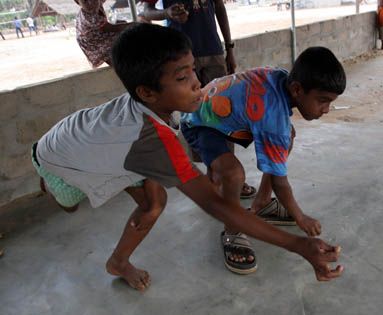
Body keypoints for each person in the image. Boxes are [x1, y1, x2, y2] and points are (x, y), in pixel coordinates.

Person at [32, 24, 343, 291]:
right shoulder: (155, 139)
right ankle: (53, 188)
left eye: (192, 69)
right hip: (59, 160)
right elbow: (216, 204)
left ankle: (117, 262)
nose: (197, 82)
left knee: (152, 202)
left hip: (86, 139)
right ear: (148, 92)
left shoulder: (151, 113)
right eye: (182, 78)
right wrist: (299, 245)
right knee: (74, 202)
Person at [180, 46, 346, 274]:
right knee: (233, 173)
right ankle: (233, 228)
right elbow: (280, 180)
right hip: (200, 122)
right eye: (322, 101)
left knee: (287, 137)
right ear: (297, 89)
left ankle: (262, 202)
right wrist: (300, 217)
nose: (326, 109)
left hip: (222, 115)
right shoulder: (272, 115)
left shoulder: (280, 77)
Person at [141, 0, 257, 199]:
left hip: (213, 51)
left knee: (223, 112)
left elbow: (219, 7)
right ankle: (216, 175)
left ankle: (227, 173)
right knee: (194, 116)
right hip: (180, 56)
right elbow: (146, 13)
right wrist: (167, 13)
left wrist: (229, 48)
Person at [74, 0, 134, 68]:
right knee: (108, 51)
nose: (90, 3)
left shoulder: (98, 3)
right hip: (91, 41)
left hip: (97, 33)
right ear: (77, 2)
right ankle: (120, 67)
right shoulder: (90, 18)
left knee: (121, 37)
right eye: (85, 1)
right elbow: (112, 28)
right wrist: (132, 25)